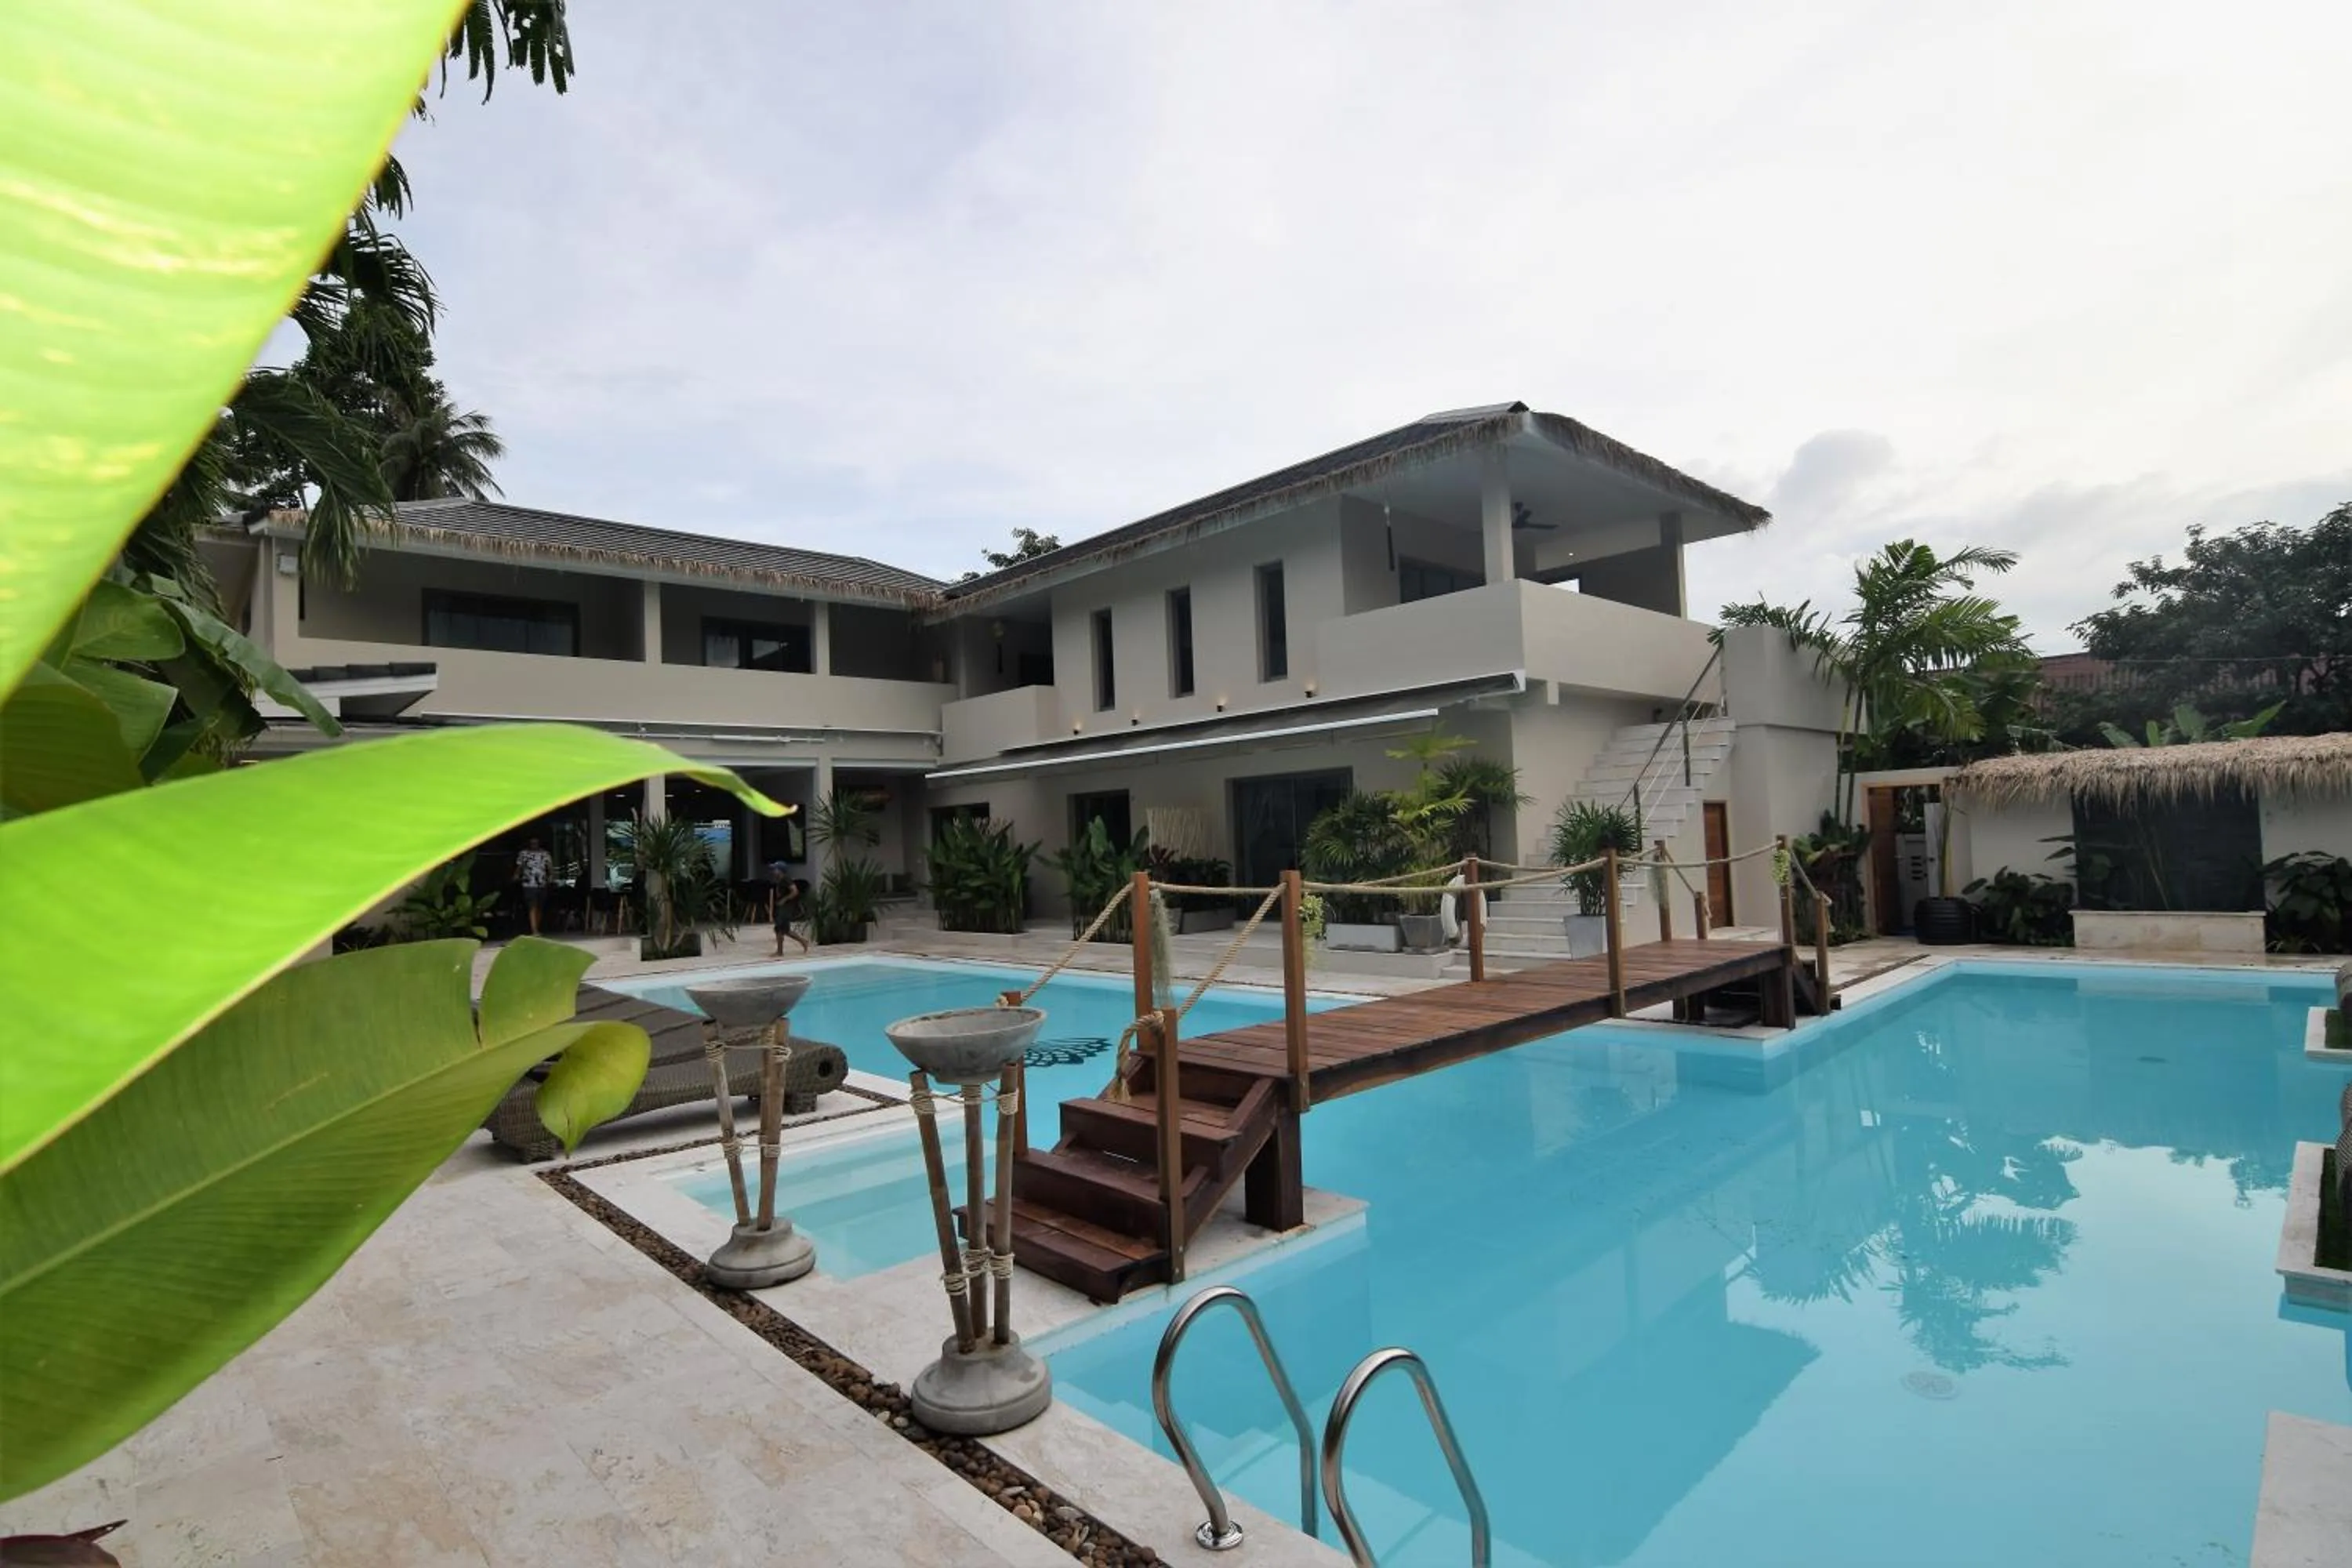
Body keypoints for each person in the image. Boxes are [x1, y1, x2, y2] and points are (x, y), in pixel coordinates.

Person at [769, 862, 810, 956]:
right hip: (782, 907)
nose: (773, 871)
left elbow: (795, 891)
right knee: (784, 929)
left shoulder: (786, 880)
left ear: (781, 871)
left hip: (786, 908)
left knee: (780, 928)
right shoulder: (780, 880)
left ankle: (780, 952)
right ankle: (803, 941)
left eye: (775, 869)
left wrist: (784, 900)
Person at [517, 836, 554, 936]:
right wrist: (516, 875)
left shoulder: (545, 854)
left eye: (536, 843)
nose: (534, 845)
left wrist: (551, 877)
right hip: (529, 883)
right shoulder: (524, 854)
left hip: (542, 883)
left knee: (540, 907)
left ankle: (536, 927)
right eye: (532, 843)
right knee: (532, 906)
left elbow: (550, 867)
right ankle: (534, 930)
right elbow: (520, 866)